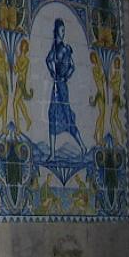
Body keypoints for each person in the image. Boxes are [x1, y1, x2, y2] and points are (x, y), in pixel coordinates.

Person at [45, 18, 87, 160]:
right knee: (52, 114)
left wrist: (64, 77)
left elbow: (72, 66)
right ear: (56, 31)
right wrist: (52, 72)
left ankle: (82, 146)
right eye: (62, 30)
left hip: (61, 87)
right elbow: (48, 60)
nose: (63, 33)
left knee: (67, 116)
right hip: (56, 85)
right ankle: (52, 153)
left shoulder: (64, 48)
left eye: (64, 30)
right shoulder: (55, 48)